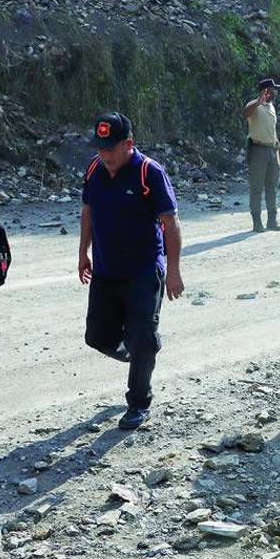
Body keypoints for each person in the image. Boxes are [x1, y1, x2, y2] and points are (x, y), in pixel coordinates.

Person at [79, 112, 185, 430]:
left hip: (143, 271)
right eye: (100, 148)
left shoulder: (149, 173)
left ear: (129, 144)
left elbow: (170, 223)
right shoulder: (94, 169)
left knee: (141, 337)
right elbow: (88, 211)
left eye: (111, 148)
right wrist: (83, 252)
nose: (105, 155)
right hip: (106, 269)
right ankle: (143, 349)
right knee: (97, 337)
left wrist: (174, 270)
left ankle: (139, 402)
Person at [242, 78, 280, 232]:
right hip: (258, 151)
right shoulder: (254, 105)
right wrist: (257, 102)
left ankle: (272, 221)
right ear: (265, 90)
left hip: (272, 150)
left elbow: (272, 131)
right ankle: (257, 222)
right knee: (257, 188)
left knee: (272, 188)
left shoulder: (271, 107)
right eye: (274, 89)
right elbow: (244, 114)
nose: (276, 92)